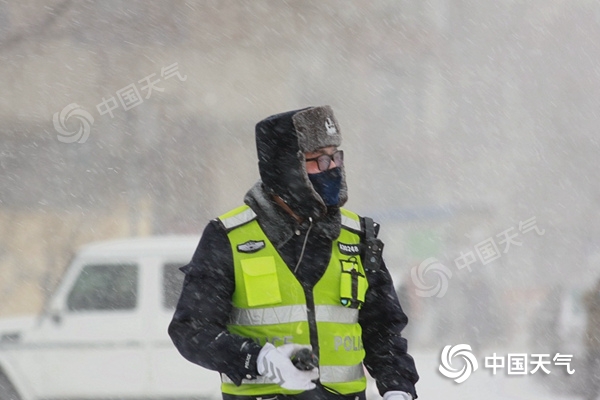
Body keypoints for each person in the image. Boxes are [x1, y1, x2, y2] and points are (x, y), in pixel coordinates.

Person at [168, 106, 419, 400]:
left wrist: (398, 388)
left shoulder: (357, 236)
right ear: (286, 166)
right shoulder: (229, 237)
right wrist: (258, 360)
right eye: (318, 160)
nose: (332, 168)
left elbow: (383, 328)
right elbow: (191, 330)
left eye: (335, 156)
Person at [584, 278, 600, 400]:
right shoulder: (592, 297)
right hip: (593, 343)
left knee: (592, 371)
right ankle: (591, 394)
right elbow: (585, 301)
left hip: (593, 342)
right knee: (591, 372)